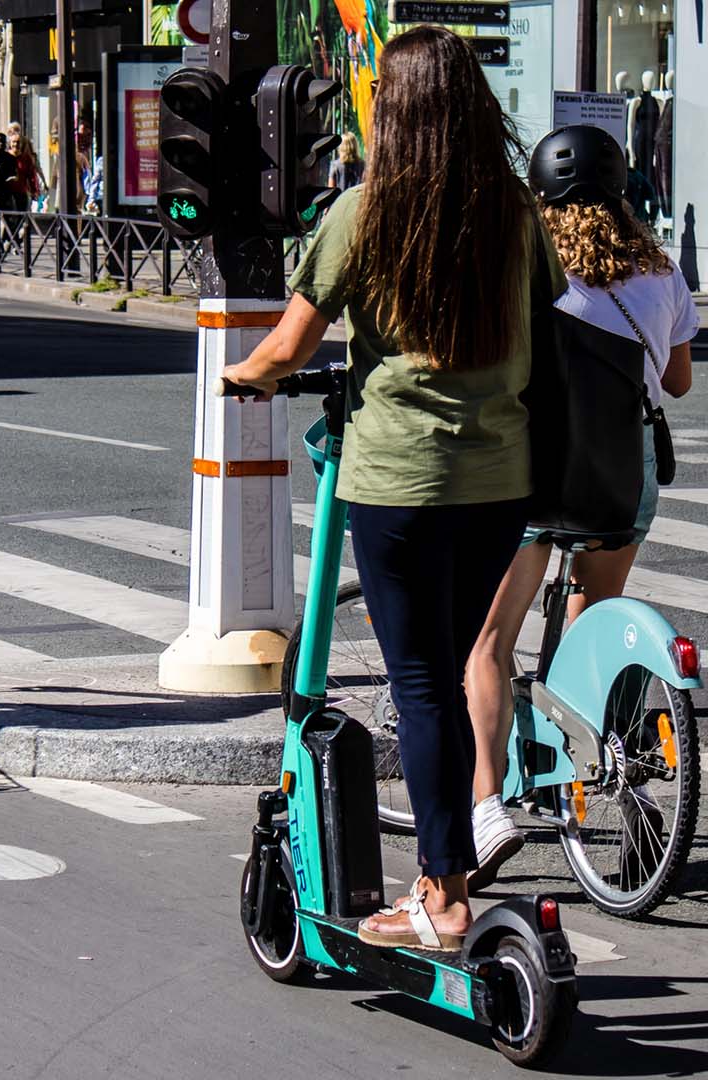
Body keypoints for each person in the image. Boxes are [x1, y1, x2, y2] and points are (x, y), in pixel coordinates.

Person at [220, 25, 563, 952]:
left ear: (396, 113)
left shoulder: (364, 213)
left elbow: (289, 345)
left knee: (420, 689)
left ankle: (442, 897)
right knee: (446, 671)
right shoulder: (516, 213)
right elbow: (546, 327)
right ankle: (446, 874)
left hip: (401, 485)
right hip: (501, 484)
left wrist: (243, 376)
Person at [462, 125, 696, 887]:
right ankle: (612, 774)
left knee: (488, 642)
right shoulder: (660, 270)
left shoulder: (523, 265)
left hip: (531, 471)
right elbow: (679, 382)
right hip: (620, 474)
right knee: (598, 622)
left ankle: (486, 808)